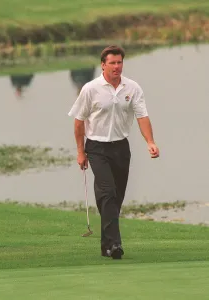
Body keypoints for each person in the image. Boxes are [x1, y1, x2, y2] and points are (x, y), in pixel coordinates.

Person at [68, 46, 159, 259]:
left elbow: (142, 116)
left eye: (120, 62)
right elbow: (79, 122)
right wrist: (81, 152)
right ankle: (115, 245)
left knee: (114, 197)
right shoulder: (91, 89)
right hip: (96, 147)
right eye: (113, 63)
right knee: (107, 192)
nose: (117, 66)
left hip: (120, 147)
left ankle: (106, 245)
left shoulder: (132, 87)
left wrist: (150, 142)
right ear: (103, 65)